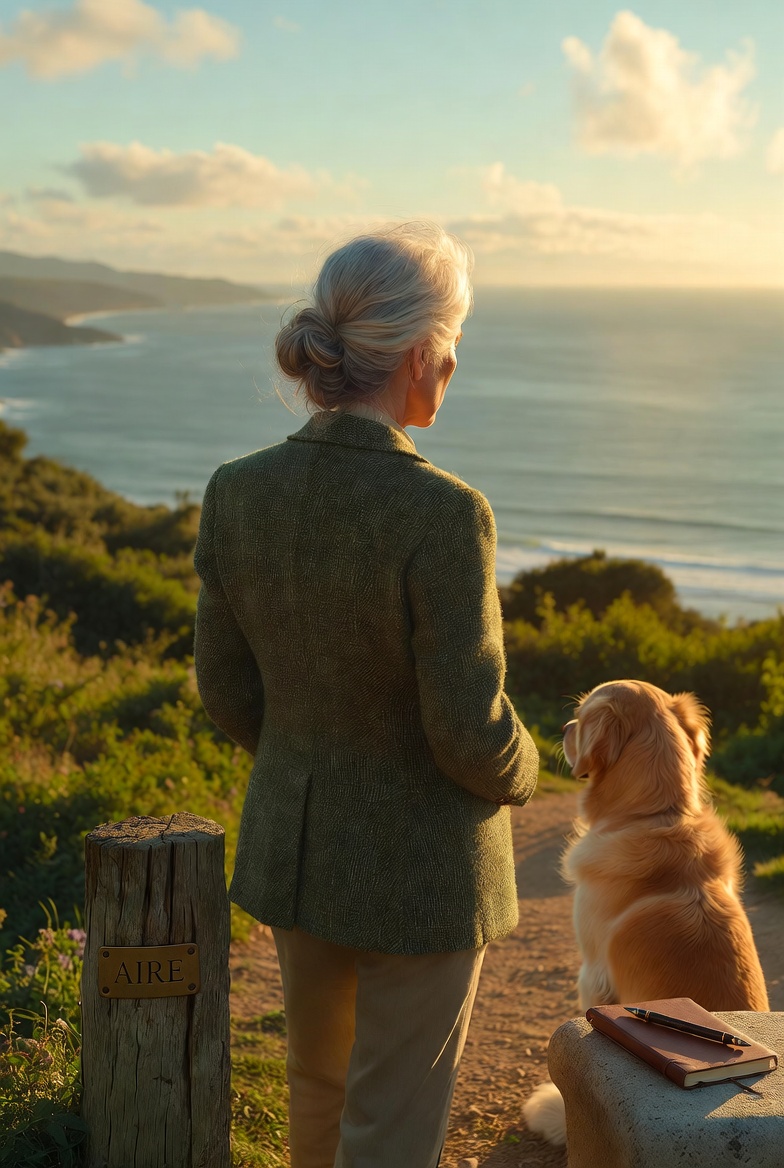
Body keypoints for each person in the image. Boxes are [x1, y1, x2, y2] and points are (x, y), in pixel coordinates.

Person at [193, 221, 540, 1168]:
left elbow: (225, 689)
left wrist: (311, 749)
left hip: (297, 850)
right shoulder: (444, 512)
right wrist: (530, 768)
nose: (456, 363)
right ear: (423, 353)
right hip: (424, 875)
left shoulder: (236, 492)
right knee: (390, 1124)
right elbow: (469, 731)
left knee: (319, 1089)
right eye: (455, 342)